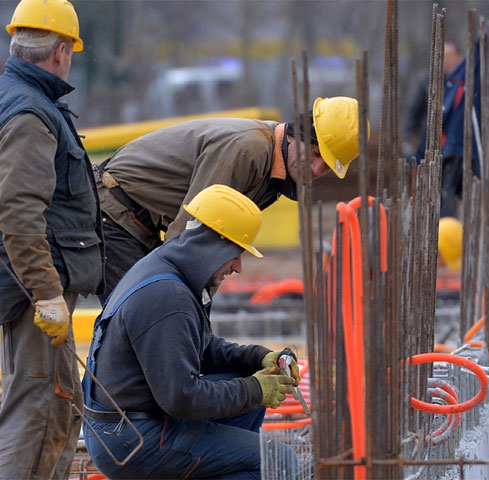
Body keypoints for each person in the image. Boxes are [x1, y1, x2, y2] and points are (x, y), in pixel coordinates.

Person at [83, 184, 301, 479]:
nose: (238, 266)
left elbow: (203, 349)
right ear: (214, 245)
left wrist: (257, 359)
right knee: (279, 459)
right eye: (235, 253)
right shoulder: (168, 297)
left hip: (129, 424)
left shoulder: (170, 270)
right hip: (130, 440)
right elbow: (182, 398)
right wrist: (254, 389)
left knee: (249, 403)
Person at [97, 96, 366, 302]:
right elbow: (190, 231)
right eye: (316, 154)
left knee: (158, 314)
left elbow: (216, 242)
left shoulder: (275, 171)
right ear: (296, 136)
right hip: (115, 210)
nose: (317, 171)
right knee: (142, 315)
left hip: (139, 221)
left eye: (328, 167)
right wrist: (193, 304)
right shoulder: (250, 150)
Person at [0, 0, 104, 477]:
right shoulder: (29, 113)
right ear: (61, 50)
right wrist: (46, 295)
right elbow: (19, 211)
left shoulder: (21, 99)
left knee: (57, 404)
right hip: (35, 292)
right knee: (39, 412)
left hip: (33, 286)